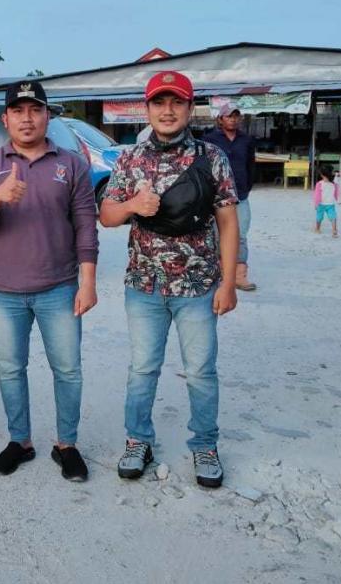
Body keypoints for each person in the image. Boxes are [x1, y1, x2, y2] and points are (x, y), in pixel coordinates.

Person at [100, 71, 239, 489]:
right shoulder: (129, 159)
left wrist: (228, 283)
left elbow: (229, 223)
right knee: (142, 369)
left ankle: (204, 444)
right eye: (159, 102)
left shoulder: (212, 158)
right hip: (144, 286)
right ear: (147, 109)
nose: (167, 110)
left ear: (189, 108)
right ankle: (137, 439)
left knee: (200, 371)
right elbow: (105, 216)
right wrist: (133, 206)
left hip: (198, 286)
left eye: (176, 102)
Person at [0, 81, 99, 482]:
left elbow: (86, 226)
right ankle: (19, 441)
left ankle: (67, 444)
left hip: (59, 287)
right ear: (5, 119)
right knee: (10, 369)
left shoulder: (71, 163)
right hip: (4, 291)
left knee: (68, 369)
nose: (27, 118)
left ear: (47, 116)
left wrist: (87, 282)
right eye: (18, 111)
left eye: (35, 110)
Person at [203, 103, 257, 291]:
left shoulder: (246, 140)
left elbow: (251, 165)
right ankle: (221, 274)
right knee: (217, 236)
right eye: (228, 116)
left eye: (236, 116)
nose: (233, 119)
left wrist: (247, 187)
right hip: (216, 196)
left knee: (240, 235)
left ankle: (239, 276)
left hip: (240, 195)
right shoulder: (209, 140)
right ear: (220, 119)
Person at [313, 164, 340, 237]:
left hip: (321, 204)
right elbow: (336, 192)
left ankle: (317, 228)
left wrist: (316, 204)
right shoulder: (334, 184)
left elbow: (317, 195)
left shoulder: (319, 184)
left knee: (319, 217)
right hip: (331, 203)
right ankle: (334, 230)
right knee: (333, 217)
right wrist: (336, 198)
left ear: (322, 175)